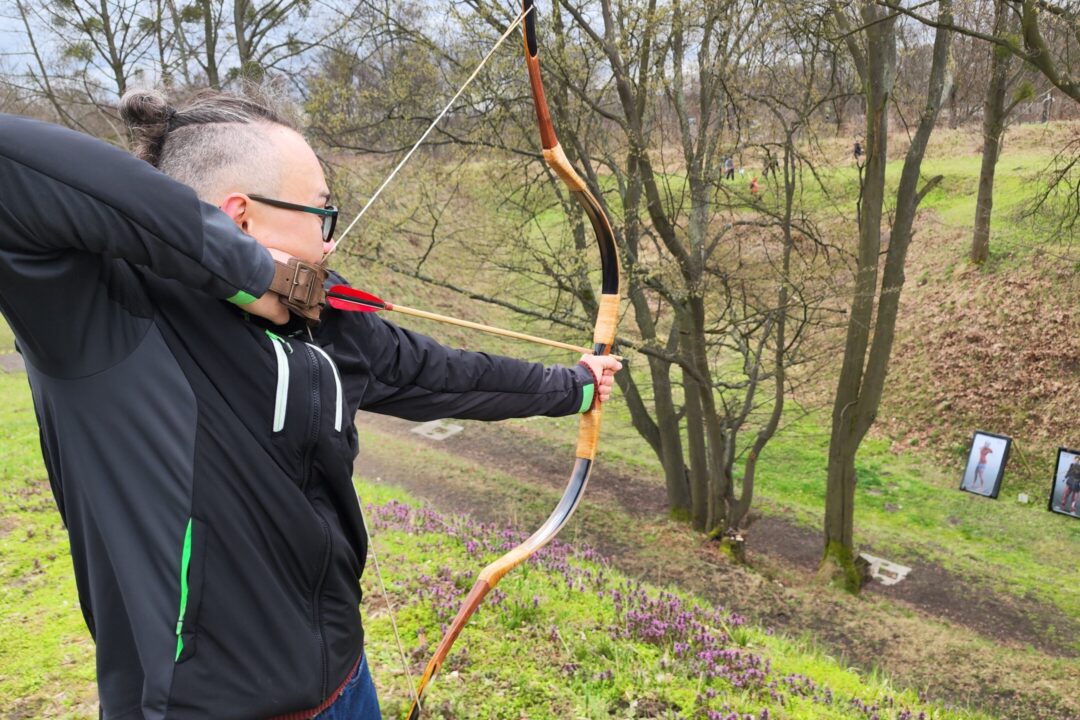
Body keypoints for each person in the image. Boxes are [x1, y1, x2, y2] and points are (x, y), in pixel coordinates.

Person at [0, 88, 621, 719]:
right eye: (321, 213)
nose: (330, 243)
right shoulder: (107, 318)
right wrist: (244, 270)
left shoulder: (323, 318)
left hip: (345, 683)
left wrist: (573, 386)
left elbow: (445, 374)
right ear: (239, 217)